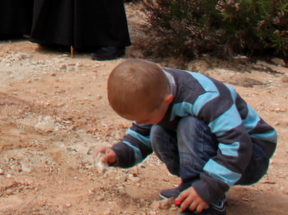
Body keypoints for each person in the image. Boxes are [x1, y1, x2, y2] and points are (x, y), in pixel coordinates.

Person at [96, 59, 277, 215]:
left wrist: (208, 188)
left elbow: (237, 144)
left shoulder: (204, 98)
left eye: (145, 119)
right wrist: (119, 154)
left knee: (190, 125)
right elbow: (141, 135)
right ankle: (191, 189)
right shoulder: (155, 91)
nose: (140, 123)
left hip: (251, 155)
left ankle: (207, 201)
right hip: (225, 153)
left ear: (167, 100)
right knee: (157, 131)